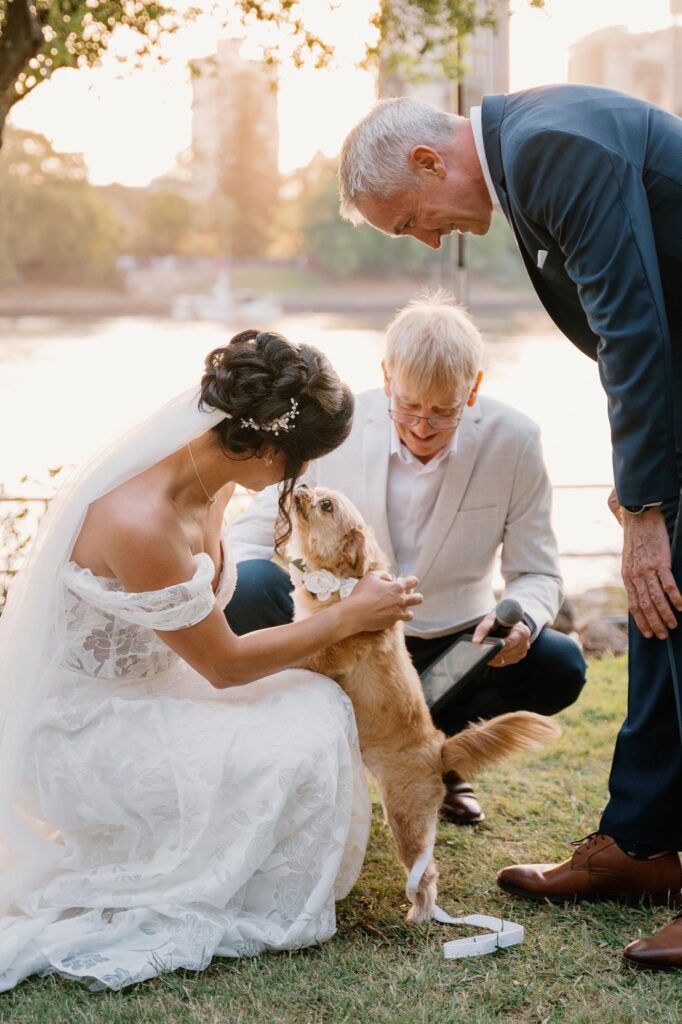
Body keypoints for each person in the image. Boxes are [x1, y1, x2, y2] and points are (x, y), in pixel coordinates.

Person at [338, 85, 682, 969]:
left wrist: (643, 504)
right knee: (659, 616)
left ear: (428, 161)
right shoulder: (528, 155)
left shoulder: (547, 149)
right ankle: (640, 845)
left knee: (679, 606)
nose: (426, 239)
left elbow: (634, 328)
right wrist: (647, 483)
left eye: (412, 218)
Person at [0, 329, 422, 992]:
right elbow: (224, 666)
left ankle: (232, 858)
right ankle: (180, 864)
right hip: (87, 732)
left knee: (316, 706)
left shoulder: (216, 477)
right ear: (269, 447)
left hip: (158, 688)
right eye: (299, 464)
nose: (300, 480)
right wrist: (348, 616)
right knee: (286, 747)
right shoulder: (141, 520)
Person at [228, 292, 586, 826]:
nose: (422, 427)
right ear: (386, 377)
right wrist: (316, 597)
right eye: (409, 407)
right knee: (250, 582)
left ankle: (438, 759)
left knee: (560, 664)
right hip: (341, 637)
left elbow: (537, 571)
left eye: (444, 412)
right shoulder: (335, 431)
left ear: (475, 389)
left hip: (454, 645)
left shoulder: (516, 441)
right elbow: (251, 533)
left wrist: (523, 619)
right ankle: (313, 746)